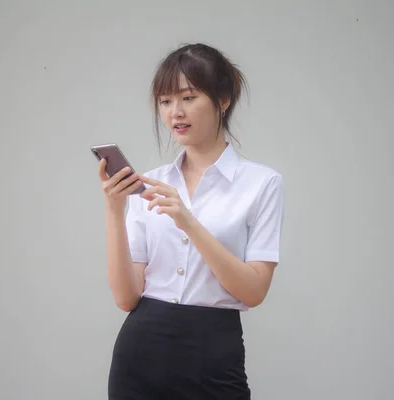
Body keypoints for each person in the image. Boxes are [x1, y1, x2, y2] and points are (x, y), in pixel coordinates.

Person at [97, 43, 284, 399]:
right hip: (140, 354)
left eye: (188, 97)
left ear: (223, 99)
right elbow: (126, 298)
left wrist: (188, 221)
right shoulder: (149, 184)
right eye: (165, 101)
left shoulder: (262, 184)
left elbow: (254, 291)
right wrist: (114, 210)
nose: (174, 113)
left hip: (213, 354)